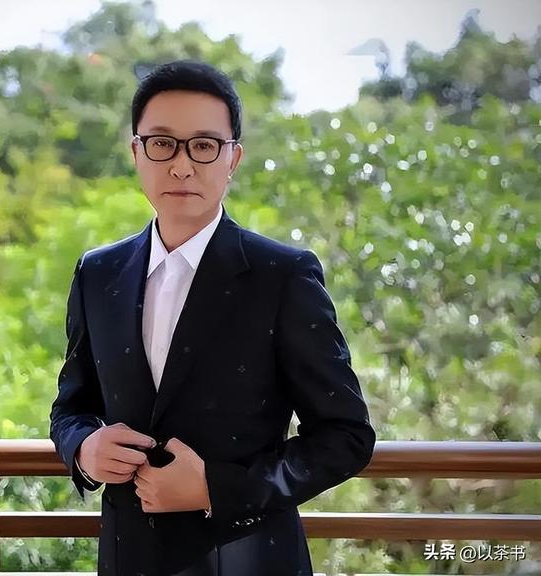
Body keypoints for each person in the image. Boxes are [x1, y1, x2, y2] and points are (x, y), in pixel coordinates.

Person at [50, 59, 376, 576]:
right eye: (162, 143)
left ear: (233, 158)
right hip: (128, 558)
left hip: (248, 560)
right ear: (136, 152)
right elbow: (71, 406)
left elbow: (346, 436)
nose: (182, 166)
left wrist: (216, 489)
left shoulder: (282, 275)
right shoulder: (98, 272)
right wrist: (84, 449)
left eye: (203, 146)